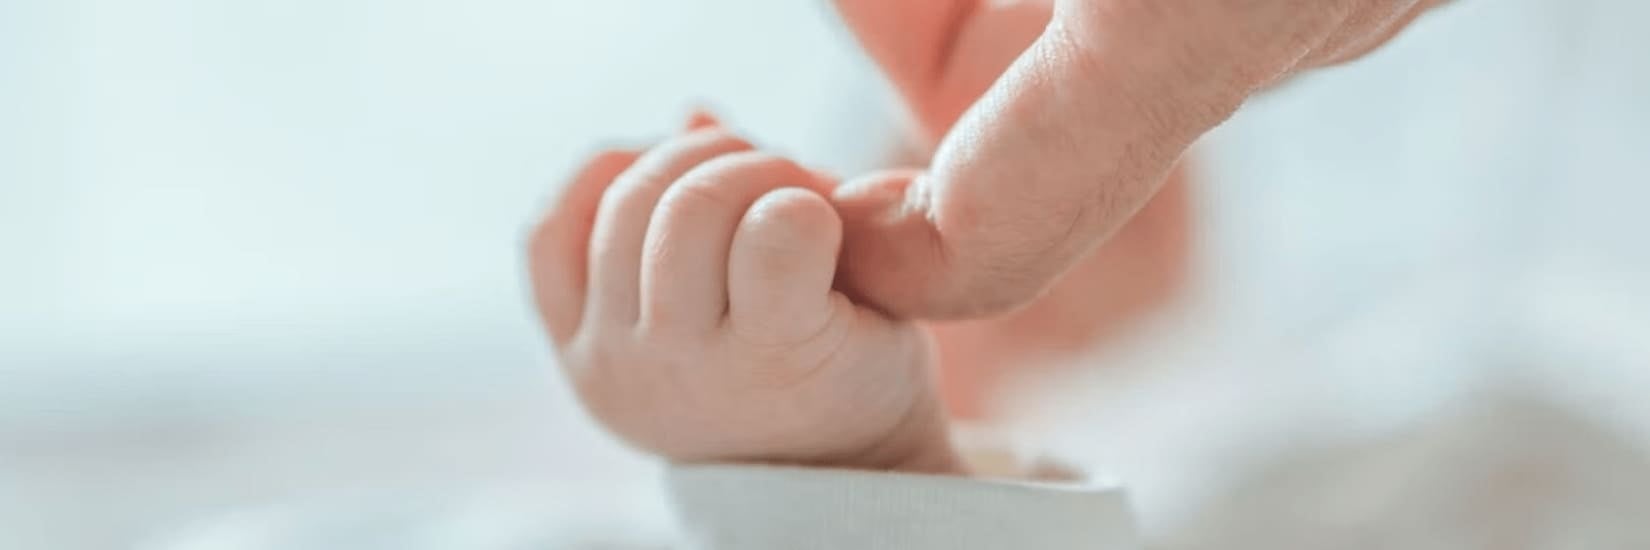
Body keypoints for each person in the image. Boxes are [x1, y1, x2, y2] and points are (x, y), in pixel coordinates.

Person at [527, 1, 1454, 548]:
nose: (1095, 191)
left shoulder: (1393, 418)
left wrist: (866, 474)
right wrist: (868, 473)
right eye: (925, 157)